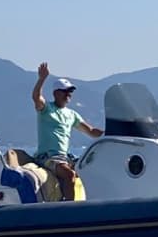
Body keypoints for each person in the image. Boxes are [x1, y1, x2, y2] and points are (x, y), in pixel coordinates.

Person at [32, 62, 104, 201]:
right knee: (69, 175)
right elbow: (36, 97)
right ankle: (70, 208)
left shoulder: (72, 114)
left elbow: (91, 131)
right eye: (65, 91)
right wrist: (41, 79)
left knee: (90, 170)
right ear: (56, 93)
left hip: (64, 157)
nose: (68, 94)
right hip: (48, 157)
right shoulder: (46, 109)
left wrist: (112, 132)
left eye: (70, 92)